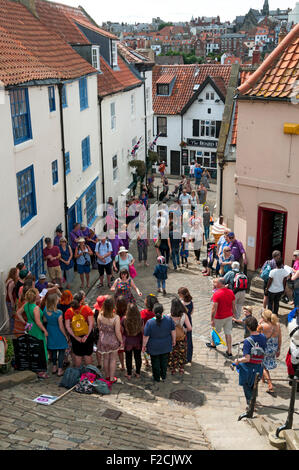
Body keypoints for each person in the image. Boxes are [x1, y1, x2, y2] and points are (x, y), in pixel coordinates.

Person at [15, 288, 49, 379]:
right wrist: (44, 330)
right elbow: (38, 322)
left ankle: (34, 367)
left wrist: (25, 322)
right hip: (37, 329)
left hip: (30, 327)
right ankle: (41, 371)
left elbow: (18, 313)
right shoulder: (36, 308)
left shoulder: (26, 305)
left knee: (32, 347)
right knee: (41, 348)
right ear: (35, 297)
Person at [234, 316, 267, 407]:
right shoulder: (263, 337)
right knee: (254, 385)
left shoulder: (248, 341)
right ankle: (254, 401)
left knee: (247, 385)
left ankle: (250, 404)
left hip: (248, 368)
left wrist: (238, 360)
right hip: (259, 367)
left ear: (248, 327)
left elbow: (247, 358)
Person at [142, 303, 176, 383]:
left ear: (154, 311)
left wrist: (144, 346)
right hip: (166, 345)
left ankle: (156, 377)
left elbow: (146, 336)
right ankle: (163, 376)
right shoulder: (169, 319)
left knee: (155, 362)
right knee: (164, 361)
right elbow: (173, 331)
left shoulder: (149, 323)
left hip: (154, 347)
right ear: (162, 311)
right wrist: (174, 340)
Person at [206, 278, 236, 357]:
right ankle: (229, 351)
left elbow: (214, 308)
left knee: (215, 331)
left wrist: (212, 319)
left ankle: (213, 344)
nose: (214, 284)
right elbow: (233, 304)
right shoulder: (231, 292)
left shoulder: (217, 294)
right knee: (228, 333)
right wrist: (234, 314)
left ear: (219, 284)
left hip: (219, 317)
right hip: (229, 316)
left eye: (215, 283)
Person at [97, 296, 123, 383]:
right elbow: (117, 332)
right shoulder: (116, 318)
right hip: (113, 340)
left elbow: (99, 327)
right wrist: (121, 341)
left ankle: (107, 376)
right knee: (113, 359)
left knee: (105, 358)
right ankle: (112, 378)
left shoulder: (100, 315)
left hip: (103, 339)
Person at [64, 296, 94, 367]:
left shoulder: (68, 311)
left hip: (75, 335)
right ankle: (89, 373)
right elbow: (91, 324)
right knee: (87, 354)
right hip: (87, 334)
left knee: (78, 355)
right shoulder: (86, 309)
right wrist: (86, 336)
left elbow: (67, 326)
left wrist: (75, 337)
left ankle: (78, 373)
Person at [44, 293, 69, 376]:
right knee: (61, 350)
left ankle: (54, 367)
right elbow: (61, 326)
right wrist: (65, 335)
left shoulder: (45, 310)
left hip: (50, 330)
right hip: (58, 331)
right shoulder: (59, 312)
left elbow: (44, 320)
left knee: (53, 350)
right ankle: (60, 369)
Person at [258, 309, 281, 395]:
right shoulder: (277, 325)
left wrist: (259, 323)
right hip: (273, 347)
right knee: (266, 363)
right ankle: (263, 379)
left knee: (263, 365)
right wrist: (278, 349)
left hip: (265, 347)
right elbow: (280, 338)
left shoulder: (263, 326)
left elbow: (256, 333)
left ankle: (270, 384)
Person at [168, 298, 192, 375]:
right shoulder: (184, 315)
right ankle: (181, 368)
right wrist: (184, 329)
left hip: (172, 338)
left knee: (173, 353)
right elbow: (189, 328)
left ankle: (173, 368)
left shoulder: (168, 316)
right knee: (182, 352)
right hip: (181, 337)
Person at [121, 303, 143, 379]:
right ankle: (138, 373)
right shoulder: (140, 319)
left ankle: (129, 373)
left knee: (128, 357)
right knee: (138, 357)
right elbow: (142, 331)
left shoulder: (124, 319)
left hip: (128, 342)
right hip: (137, 341)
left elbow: (122, 330)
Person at [178, 287, 194, 363]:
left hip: (183, 321)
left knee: (182, 339)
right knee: (189, 340)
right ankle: (189, 357)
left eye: (179, 294)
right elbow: (191, 312)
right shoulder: (191, 302)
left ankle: (182, 356)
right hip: (189, 321)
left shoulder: (181, 303)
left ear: (182, 295)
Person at [115, 296, 128, 371]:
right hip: (127, 335)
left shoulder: (115, 314)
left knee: (120, 352)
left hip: (118, 336)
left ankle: (122, 365)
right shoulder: (128, 313)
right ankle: (128, 363)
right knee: (128, 350)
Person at [5, 267, 19, 333]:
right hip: (10, 301)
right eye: (17, 272)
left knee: (11, 316)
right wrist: (12, 303)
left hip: (8, 301)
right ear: (14, 273)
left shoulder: (9, 279)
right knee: (12, 317)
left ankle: (12, 330)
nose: (18, 273)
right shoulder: (12, 282)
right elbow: (9, 293)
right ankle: (12, 331)